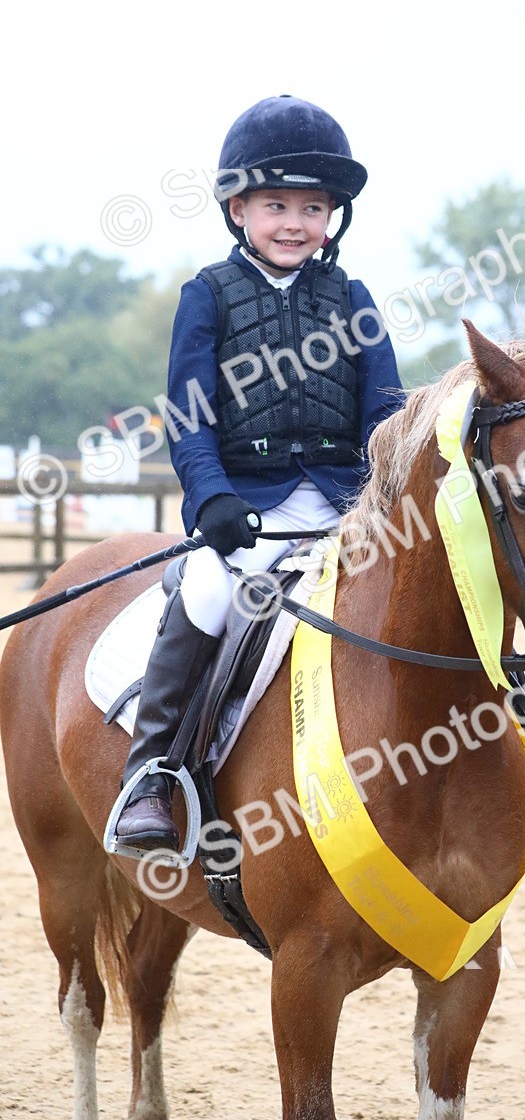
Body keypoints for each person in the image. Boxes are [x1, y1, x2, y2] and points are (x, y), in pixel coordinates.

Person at [112, 95, 402, 855]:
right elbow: (188, 416)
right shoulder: (206, 295)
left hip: (346, 503)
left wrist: (381, 500)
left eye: (313, 207)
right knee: (209, 590)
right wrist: (211, 499)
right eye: (276, 204)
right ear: (238, 208)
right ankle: (152, 778)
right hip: (248, 505)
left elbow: (385, 417)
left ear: (333, 217)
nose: (295, 223)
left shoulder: (354, 298)